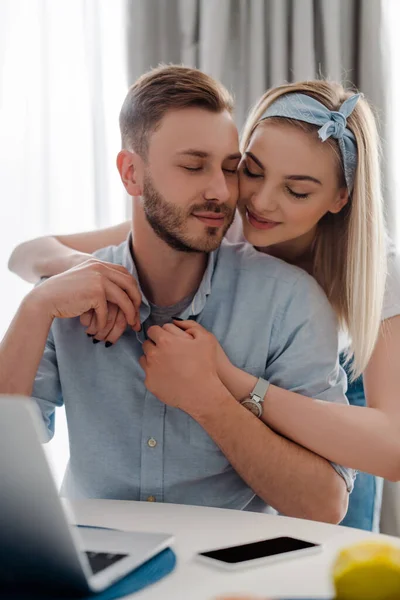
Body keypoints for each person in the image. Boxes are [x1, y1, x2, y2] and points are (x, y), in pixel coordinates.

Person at [11, 76, 398, 532]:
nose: (259, 201)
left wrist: (224, 381)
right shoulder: (217, 220)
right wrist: (76, 276)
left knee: (346, 548)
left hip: (346, 397)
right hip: (269, 377)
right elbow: (30, 253)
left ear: (340, 198)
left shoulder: (377, 269)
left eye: (297, 191)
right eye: (250, 170)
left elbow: (390, 448)